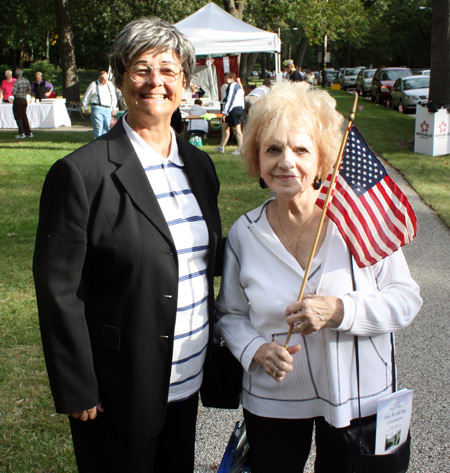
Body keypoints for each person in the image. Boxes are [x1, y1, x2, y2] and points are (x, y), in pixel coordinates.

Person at [33, 17, 222, 473]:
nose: (155, 82)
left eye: (169, 70)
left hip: (185, 378)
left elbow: (200, 259)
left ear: (184, 82)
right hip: (118, 387)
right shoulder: (81, 173)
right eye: (141, 69)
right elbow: (59, 290)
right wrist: (78, 385)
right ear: (120, 79)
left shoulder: (199, 167)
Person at [215, 81, 422, 473]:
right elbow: (231, 315)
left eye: (301, 149)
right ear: (256, 158)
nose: (286, 162)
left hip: (357, 397)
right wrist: (255, 350)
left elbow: (406, 298)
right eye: (273, 149)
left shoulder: (360, 220)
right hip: (274, 397)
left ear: (323, 158)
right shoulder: (246, 232)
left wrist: (341, 310)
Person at [81, 70, 118, 139]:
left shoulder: (110, 85)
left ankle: (104, 144)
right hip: (97, 108)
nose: (105, 81)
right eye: (103, 79)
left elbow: (113, 97)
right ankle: (97, 144)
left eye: (106, 79)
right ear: (99, 78)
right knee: (98, 128)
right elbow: (86, 97)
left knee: (106, 128)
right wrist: (86, 108)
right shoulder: (94, 85)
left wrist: (114, 108)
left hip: (107, 109)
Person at [215, 72, 244, 155]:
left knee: (236, 130)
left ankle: (240, 148)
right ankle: (221, 146)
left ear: (230, 78)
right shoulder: (238, 87)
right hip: (236, 109)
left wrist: (225, 112)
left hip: (233, 109)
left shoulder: (233, 86)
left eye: (226, 78)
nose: (225, 80)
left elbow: (230, 99)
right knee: (225, 127)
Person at [11, 69, 32, 139]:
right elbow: (29, 91)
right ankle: (28, 132)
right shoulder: (27, 81)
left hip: (17, 100)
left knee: (18, 117)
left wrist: (14, 94)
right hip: (24, 99)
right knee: (24, 116)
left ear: (16, 74)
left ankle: (21, 132)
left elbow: (13, 92)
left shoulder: (16, 82)